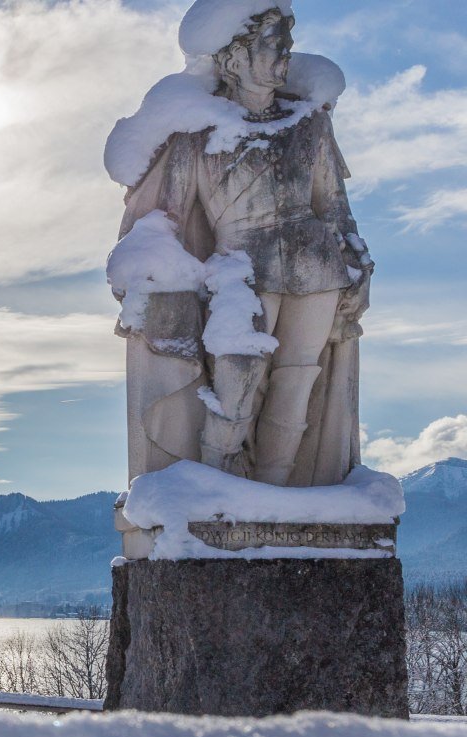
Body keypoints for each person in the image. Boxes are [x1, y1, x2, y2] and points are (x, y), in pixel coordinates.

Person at [117, 6, 371, 488]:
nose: (285, 54)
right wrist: (145, 269)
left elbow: (335, 207)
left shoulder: (310, 125)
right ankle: (218, 487)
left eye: (287, 44)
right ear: (234, 59)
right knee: (236, 381)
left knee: (297, 381)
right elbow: (165, 217)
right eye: (273, 43)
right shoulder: (197, 134)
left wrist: (358, 260)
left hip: (316, 265)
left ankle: (275, 495)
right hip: (240, 268)